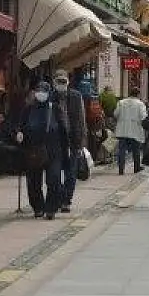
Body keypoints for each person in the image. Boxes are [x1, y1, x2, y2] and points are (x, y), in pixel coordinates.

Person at [16, 81, 69, 220]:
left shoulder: (55, 108)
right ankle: (38, 207)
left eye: (43, 91)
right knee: (33, 181)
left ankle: (51, 208)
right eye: (38, 90)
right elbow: (20, 126)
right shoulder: (28, 109)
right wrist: (19, 134)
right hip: (33, 149)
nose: (41, 94)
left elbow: (63, 129)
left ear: (49, 92)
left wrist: (66, 149)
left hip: (53, 150)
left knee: (53, 180)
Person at [51, 70, 87, 212]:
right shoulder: (50, 97)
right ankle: (59, 197)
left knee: (71, 174)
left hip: (73, 140)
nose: (61, 84)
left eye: (63, 81)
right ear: (54, 82)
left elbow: (81, 118)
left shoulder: (76, 96)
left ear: (68, 82)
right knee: (54, 174)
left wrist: (82, 139)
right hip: (56, 141)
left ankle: (66, 200)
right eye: (58, 81)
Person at [112, 87, 148, 175]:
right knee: (136, 150)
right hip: (135, 130)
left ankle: (121, 169)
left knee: (122, 150)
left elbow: (116, 114)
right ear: (138, 94)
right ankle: (136, 167)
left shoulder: (121, 102)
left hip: (123, 130)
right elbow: (143, 117)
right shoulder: (140, 104)